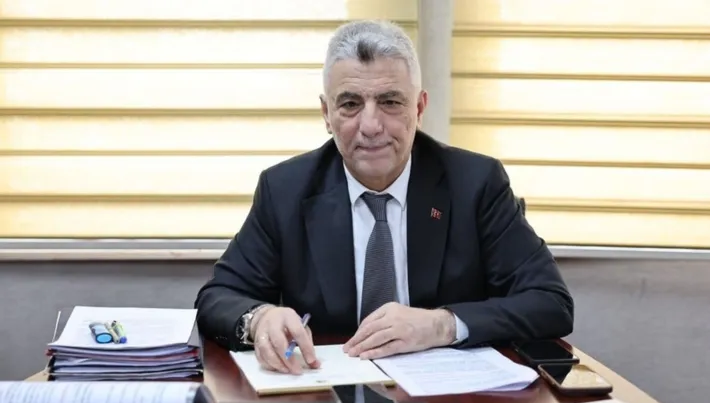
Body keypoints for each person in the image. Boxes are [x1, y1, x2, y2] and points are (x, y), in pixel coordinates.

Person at [195, 19, 574, 375]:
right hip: (325, 388)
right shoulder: (285, 190)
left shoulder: (475, 183)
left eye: (390, 102)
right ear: (326, 113)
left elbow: (550, 302)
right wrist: (260, 318)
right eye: (350, 104)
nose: (371, 126)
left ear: (419, 108)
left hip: (448, 393)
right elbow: (218, 297)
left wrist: (442, 324)